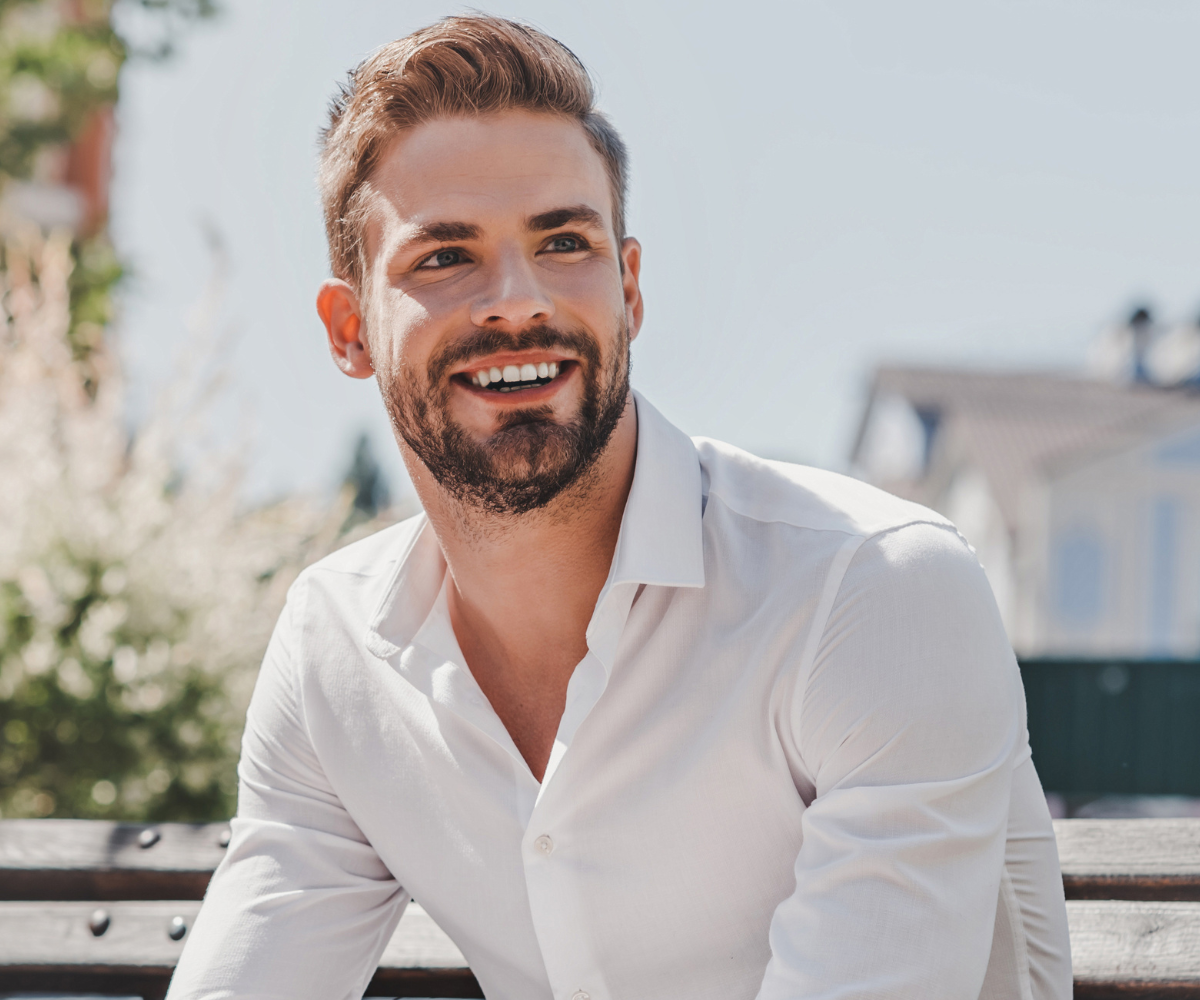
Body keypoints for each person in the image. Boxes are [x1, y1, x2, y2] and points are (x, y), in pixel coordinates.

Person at [167, 15, 1072, 1000]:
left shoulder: (870, 590)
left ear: (629, 288)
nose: (517, 301)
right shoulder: (336, 647)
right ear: (349, 330)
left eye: (563, 241)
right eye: (444, 257)